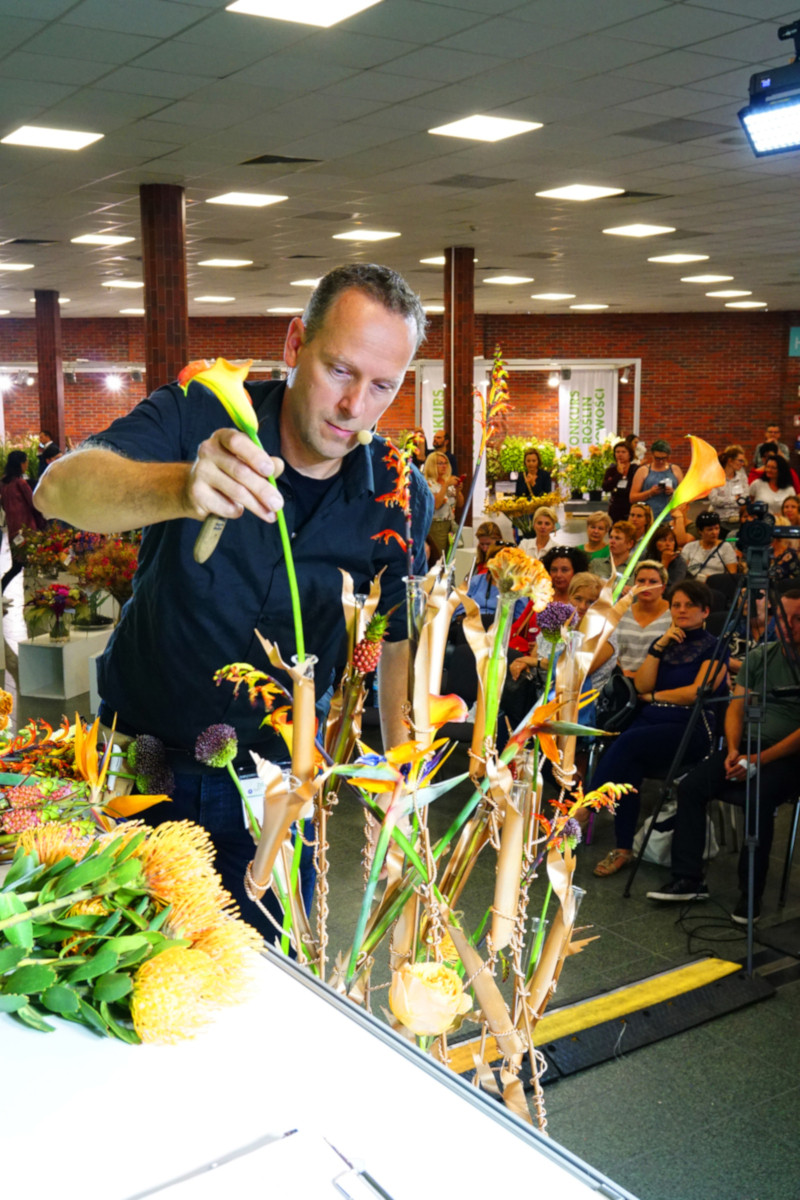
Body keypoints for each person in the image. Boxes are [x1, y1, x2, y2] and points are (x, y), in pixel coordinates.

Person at [35, 263, 434, 943]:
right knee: (126, 958)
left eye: (383, 387)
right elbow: (59, 491)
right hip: (145, 758)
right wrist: (182, 488)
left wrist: (407, 787)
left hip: (276, 788)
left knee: (267, 973)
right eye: (340, 371)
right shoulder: (204, 412)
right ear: (293, 344)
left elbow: (394, 643)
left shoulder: (395, 491)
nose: (354, 407)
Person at [647, 590, 800, 922]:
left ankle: (750, 895)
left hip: (788, 758)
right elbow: (736, 707)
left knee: (758, 800)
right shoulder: (761, 658)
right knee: (691, 787)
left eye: (798, 619)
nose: (789, 626)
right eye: (784, 618)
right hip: (744, 747)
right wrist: (732, 749)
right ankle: (688, 877)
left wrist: (760, 760)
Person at [592, 579, 729, 877]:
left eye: (689, 605)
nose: (681, 610)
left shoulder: (715, 647)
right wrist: (657, 648)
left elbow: (697, 692)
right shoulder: (667, 643)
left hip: (690, 727)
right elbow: (641, 684)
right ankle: (623, 849)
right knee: (629, 763)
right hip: (652, 725)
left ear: (705, 611)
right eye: (676, 605)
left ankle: (584, 807)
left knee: (625, 744)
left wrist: (653, 698)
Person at [1, 449, 45, 598]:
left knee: (17, 565)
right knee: (28, 565)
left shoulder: (3, 482)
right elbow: (33, 503)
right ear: (20, 464)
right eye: (25, 461)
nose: (27, 464)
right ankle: (34, 597)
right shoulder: (20, 483)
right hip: (26, 529)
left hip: (13, 528)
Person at [614, 560, 672, 674]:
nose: (646, 586)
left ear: (663, 588)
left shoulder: (673, 615)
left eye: (653, 582)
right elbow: (610, 650)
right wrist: (621, 673)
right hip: (619, 678)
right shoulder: (621, 611)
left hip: (657, 680)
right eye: (641, 581)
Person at [423, 449, 463, 560]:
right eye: (440, 463)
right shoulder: (428, 484)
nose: (444, 466)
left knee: (452, 557)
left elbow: (460, 504)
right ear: (432, 465)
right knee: (439, 558)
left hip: (450, 525)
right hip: (436, 526)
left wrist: (458, 490)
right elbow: (435, 505)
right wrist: (445, 486)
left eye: (446, 463)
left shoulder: (447, 481)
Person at [630, 438, 684, 519]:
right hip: (649, 517)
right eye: (657, 458)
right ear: (652, 455)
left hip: (672, 516)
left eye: (664, 458)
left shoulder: (675, 469)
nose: (661, 461)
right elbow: (632, 498)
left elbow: (685, 496)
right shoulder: (643, 471)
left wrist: (673, 492)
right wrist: (650, 492)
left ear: (669, 456)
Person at [680, 511, 737, 581]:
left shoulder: (726, 547)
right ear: (700, 531)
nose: (715, 532)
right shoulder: (689, 547)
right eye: (710, 529)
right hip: (693, 585)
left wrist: (710, 579)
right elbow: (681, 572)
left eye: (717, 528)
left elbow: (732, 574)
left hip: (717, 585)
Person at [707, 445, 748, 528]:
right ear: (730, 461)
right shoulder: (714, 478)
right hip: (720, 521)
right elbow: (715, 501)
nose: (742, 464)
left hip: (739, 520)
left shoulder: (742, 477)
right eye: (740, 461)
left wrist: (725, 500)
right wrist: (734, 499)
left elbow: (744, 499)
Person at [589, 519, 635, 584]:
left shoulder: (636, 568)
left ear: (630, 544)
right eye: (611, 537)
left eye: (617, 538)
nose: (612, 541)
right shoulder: (596, 564)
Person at [603, 440, 634, 522]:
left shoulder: (635, 469)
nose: (620, 454)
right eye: (617, 452)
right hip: (615, 507)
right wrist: (618, 475)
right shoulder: (611, 470)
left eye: (623, 452)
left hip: (630, 506)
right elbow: (606, 487)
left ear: (630, 454)